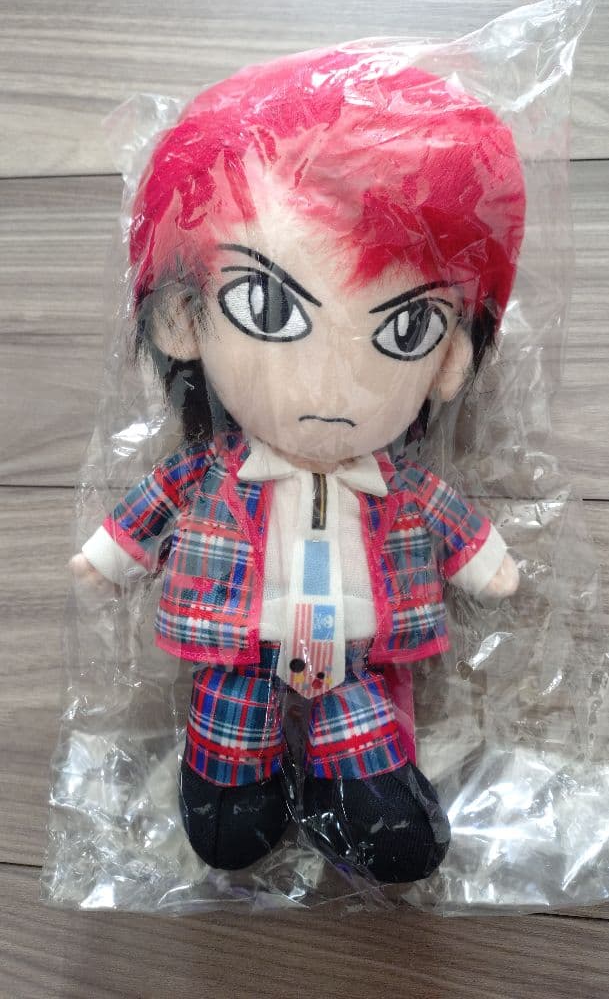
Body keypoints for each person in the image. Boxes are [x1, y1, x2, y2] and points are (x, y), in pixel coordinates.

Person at [70, 47, 526, 881]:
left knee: (370, 749)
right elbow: (152, 503)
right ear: (183, 320)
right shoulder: (206, 473)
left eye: (406, 328)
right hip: (237, 647)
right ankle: (229, 781)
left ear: (449, 360)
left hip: (356, 659)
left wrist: (487, 563)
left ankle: (359, 790)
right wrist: (108, 556)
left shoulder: (403, 486)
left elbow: (455, 525)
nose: (329, 382)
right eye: (266, 305)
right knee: (228, 730)